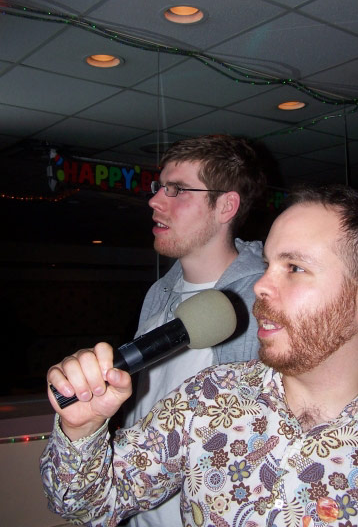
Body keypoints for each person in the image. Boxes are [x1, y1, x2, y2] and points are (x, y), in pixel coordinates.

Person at [41, 183, 358, 527]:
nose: (260, 286)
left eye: (294, 268)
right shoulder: (207, 398)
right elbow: (85, 505)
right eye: (269, 264)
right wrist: (82, 429)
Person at [121, 134, 267, 526]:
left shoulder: (262, 304)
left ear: (226, 206)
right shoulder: (159, 293)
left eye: (177, 190)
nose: (155, 201)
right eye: (159, 188)